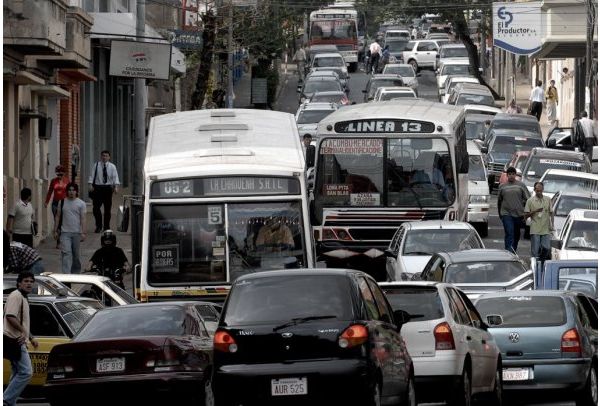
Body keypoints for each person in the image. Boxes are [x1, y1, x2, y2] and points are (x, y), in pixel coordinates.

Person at [3, 271, 39, 406]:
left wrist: (31, 337)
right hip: (13, 340)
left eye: (31, 281)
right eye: (26, 281)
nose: (29, 283)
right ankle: (6, 400)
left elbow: (22, 321)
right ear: (19, 283)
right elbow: (10, 316)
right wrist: (24, 332)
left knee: (17, 372)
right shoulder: (16, 296)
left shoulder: (23, 297)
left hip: (17, 339)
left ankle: (8, 402)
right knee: (26, 372)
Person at [54, 183, 87, 274]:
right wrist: (55, 230)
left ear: (76, 191)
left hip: (76, 232)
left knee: (75, 255)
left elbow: (83, 218)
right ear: (67, 191)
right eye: (69, 190)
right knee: (66, 253)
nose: (71, 192)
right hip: (65, 233)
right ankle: (66, 274)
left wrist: (84, 232)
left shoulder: (81, 203)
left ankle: (75, 273)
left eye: (73, 190)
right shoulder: (62, 202)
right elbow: (58, 216)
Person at [497, 166, 529, 253]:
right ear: (507, 175)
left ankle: (513, 251)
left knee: (516, 234)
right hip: (506, 213)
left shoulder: (521, 185)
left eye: (513, 174)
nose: (511, 176)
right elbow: (499, 201)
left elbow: (528, 199)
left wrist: (526, 213)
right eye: (509, 174)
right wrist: (500, 213)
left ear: (515, 175)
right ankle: (508, 252)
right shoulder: (502, 186)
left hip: (518, 214)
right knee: (509, 232)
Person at [88, 150, 120, 233]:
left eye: (106, 156)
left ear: (109, 157)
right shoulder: (96, 165)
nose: (104, 157)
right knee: (96, 208)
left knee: (107, 209)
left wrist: (116, 186)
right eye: (103, 155)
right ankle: (98, 226)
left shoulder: (112, 166)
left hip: (108, 189)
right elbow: (91, 175)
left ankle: (106, 227)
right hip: (98, 188)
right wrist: (90, 184)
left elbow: (115, 177)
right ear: (101, 156)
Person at [524, 182, 554, 261]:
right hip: (535, 228)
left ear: (543, 190)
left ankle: (541, 261)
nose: (539, 192)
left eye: (541, 191)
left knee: (547, 248)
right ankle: (535, 265)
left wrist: (552, 225)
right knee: (535, 250)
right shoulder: (530, 201)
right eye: (537, 191)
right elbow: (525, 216)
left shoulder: (548, 199)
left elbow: (551, 213)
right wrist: (535, 211)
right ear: (534, 190)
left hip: (545, 228)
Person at [45, 165, 68, 248]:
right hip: (55, 203)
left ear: (64, 174)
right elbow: (50, 191)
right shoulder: (53, 181)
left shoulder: (67, 181)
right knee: (57, 221)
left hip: (64, 203)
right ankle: (58, 242)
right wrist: (46, 202)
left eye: (61, 175)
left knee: (62, 221)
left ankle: (62, 240)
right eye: (58, 174)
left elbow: (70, 192)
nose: (59, 176)